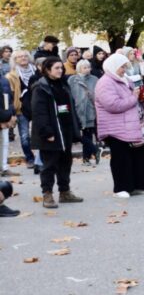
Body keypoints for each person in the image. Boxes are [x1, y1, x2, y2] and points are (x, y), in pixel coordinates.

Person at [31, 57, 84, 209]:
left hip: (65, 130)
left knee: (65, 162)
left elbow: (70, 107)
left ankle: (65, 192)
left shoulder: (63, 84)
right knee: (49, 165)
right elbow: (39, 112)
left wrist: (76, 127)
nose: (60, 70)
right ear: (47, 70)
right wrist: (46, 131)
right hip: (51, 132)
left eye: (61, 68)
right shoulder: (41, 87)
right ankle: (47, 194)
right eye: (56, 68)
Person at [95, 53, 144, 198]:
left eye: (125, 67)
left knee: (137, 155)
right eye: (121, 67)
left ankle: (138, 185)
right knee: (121, 158)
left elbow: (132, 100)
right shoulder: (105, 82)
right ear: (113, 67)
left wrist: (140, 98)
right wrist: (134, 97)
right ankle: (121, 188)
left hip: (131, 125)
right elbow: (113, 105)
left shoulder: (125, 80)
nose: (124, 70)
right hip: (115, 127)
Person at [10, 50, 41, 174]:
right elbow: (11, 94)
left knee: (41, 133)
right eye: (19, 57)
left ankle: (41, 159)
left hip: (38, 106)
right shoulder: (12, 75)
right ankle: (29, 158)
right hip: (22, 108)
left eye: (25, 56)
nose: (23, 58)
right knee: (24, 136)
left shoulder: (37, 70)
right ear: (15, 60)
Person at [68, 60, 99, 166]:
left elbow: (98, 95)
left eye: (88, 67)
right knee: (77, 135)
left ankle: (86, 159)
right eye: (84, 67)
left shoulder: (94, 79)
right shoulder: (72, 79)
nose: (87, 69)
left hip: (89, 110)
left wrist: (90, 96)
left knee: (88, 134)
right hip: (76, 110)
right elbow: (69, 95)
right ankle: (95, 149)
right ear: (79, 68)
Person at [0, 69, 15, 179]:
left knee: (5, 143)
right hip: (2, 118)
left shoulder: (4, 79)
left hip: (5, 117)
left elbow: (9, 99)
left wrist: (11, 115)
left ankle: (4, 167)